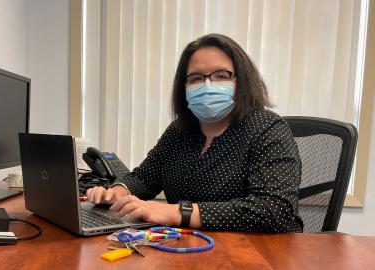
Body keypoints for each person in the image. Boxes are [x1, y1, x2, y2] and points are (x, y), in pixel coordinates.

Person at [86, 33, 303, 232]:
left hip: (257, 252)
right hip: (187, 247)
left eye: (221, 75)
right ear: (185, 86)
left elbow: (276, 210)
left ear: (242, 80)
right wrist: (117, 191)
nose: (208, 84)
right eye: (196, 78)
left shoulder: (267, 128)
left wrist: (176, 212)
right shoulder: (180, 130)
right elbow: (145, 178)